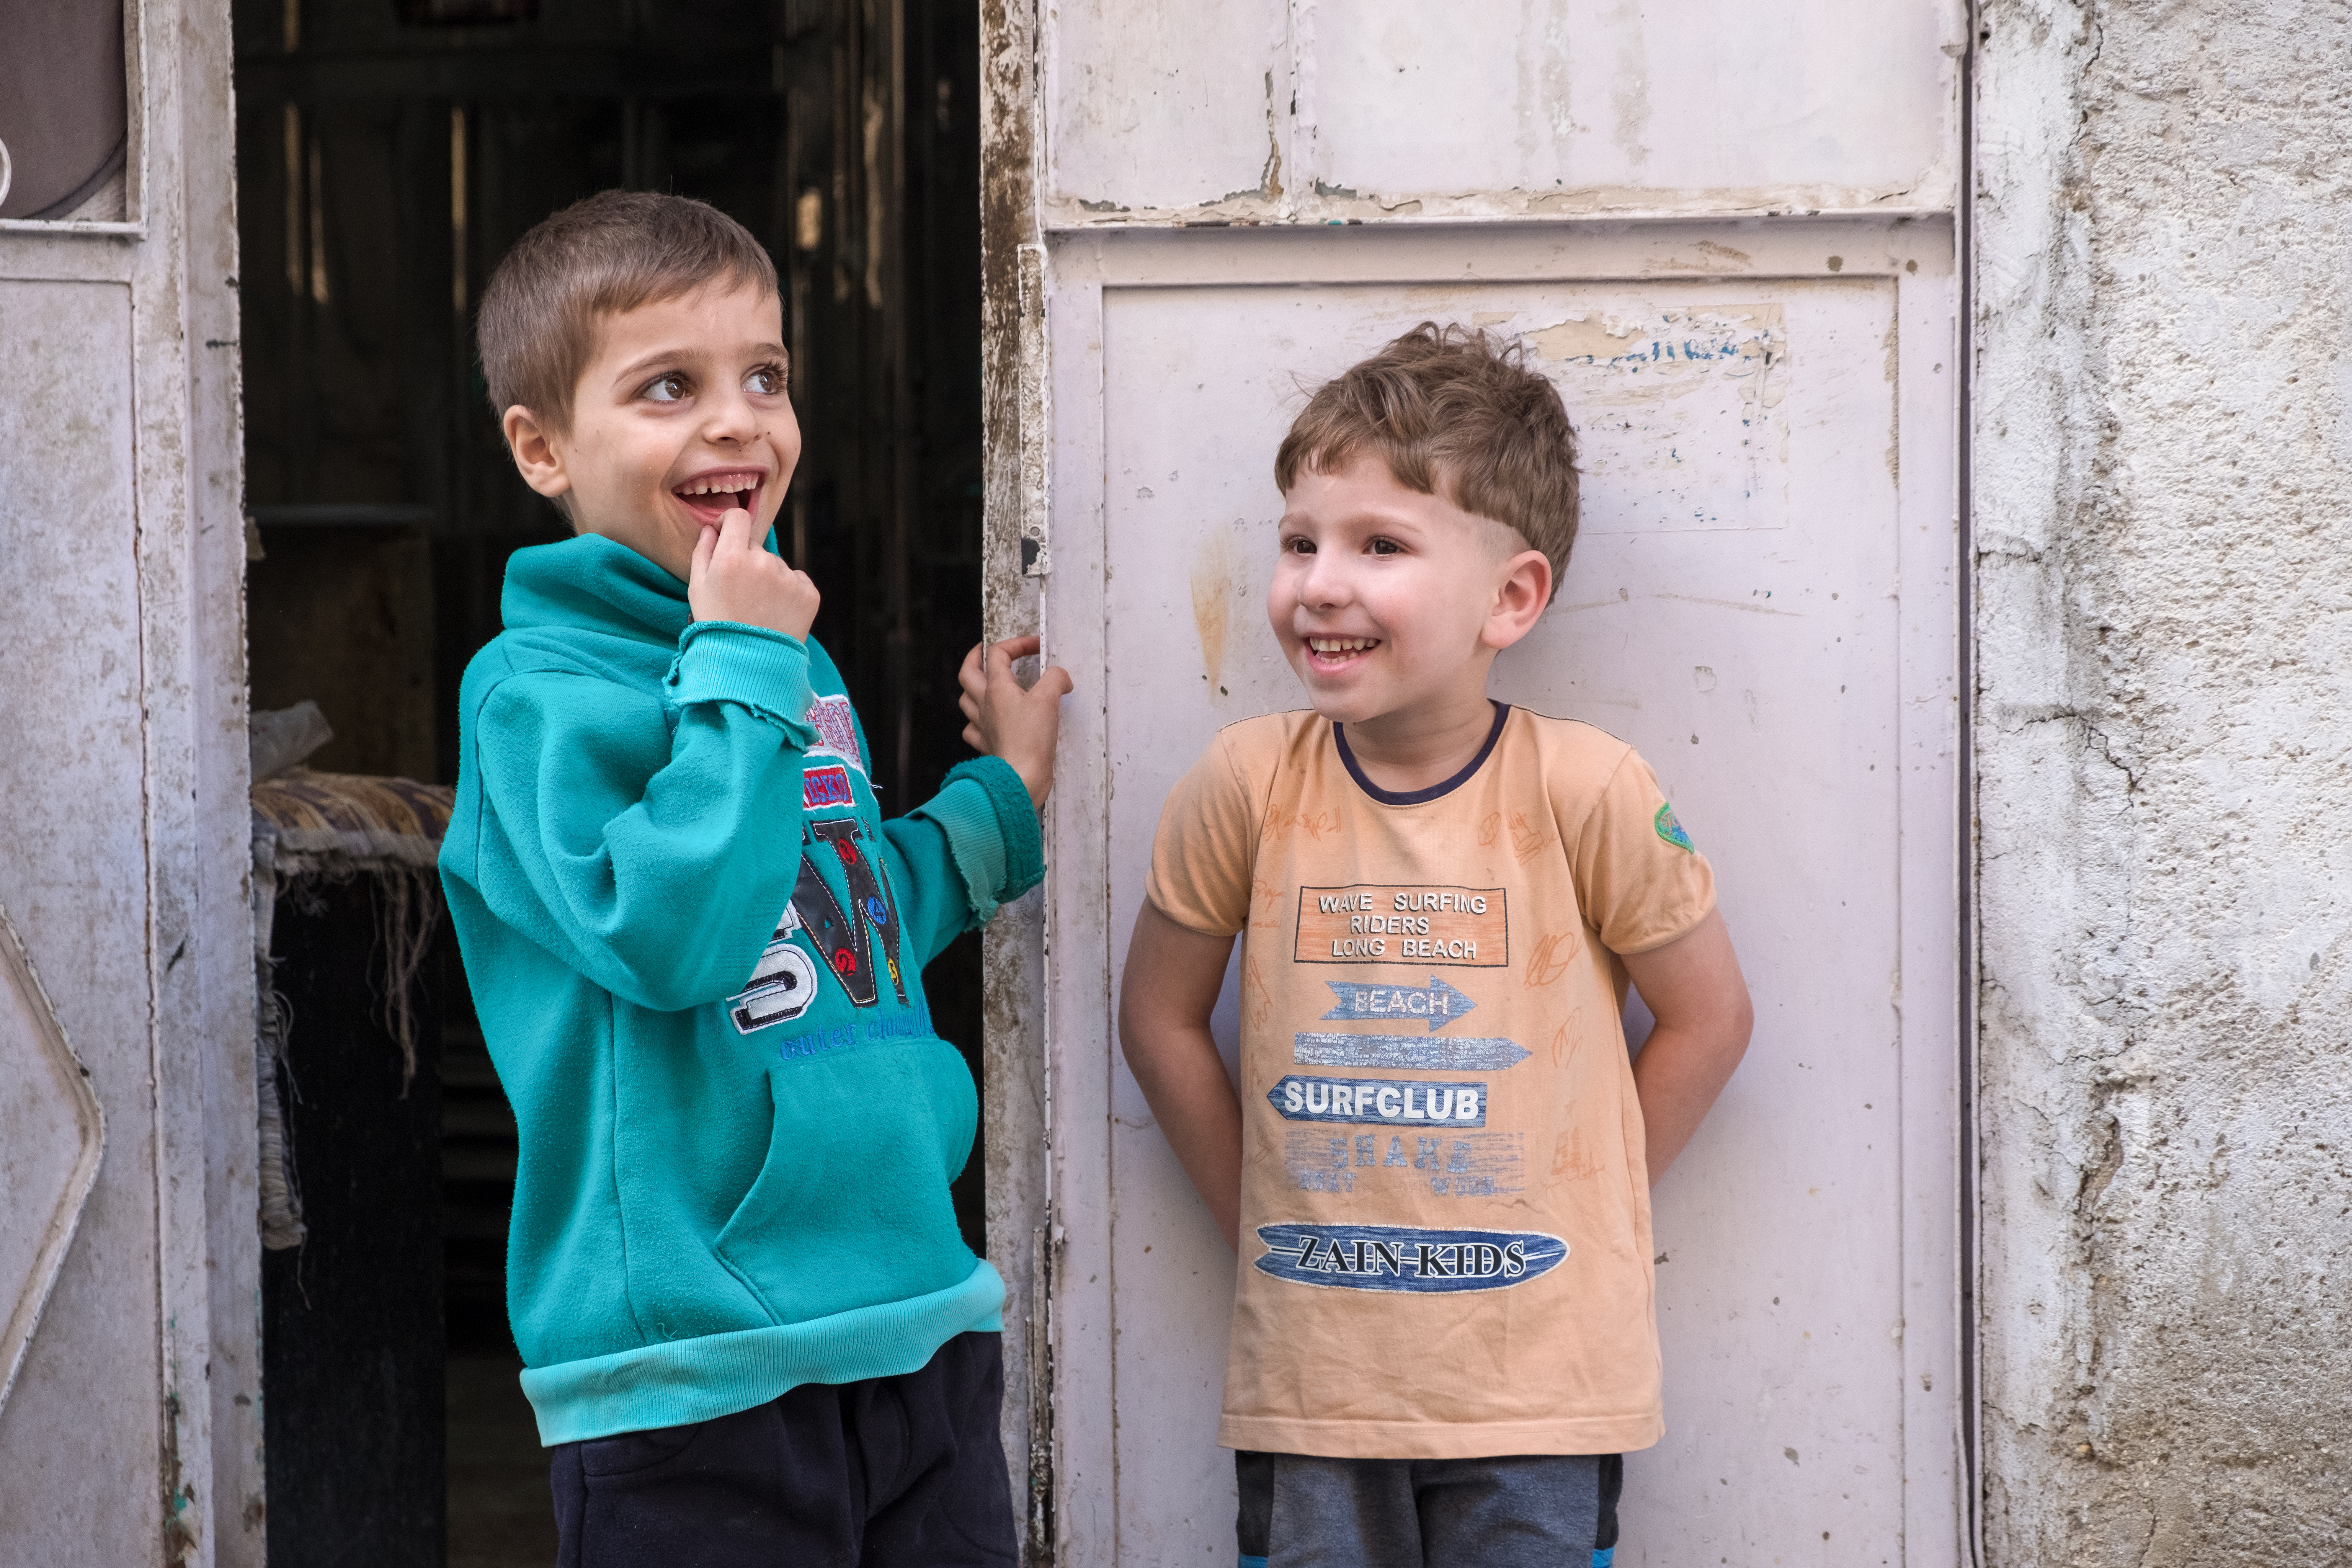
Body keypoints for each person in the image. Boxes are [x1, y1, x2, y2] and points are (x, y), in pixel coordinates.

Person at [438, 189, 1068, 1567]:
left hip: (914, 1316)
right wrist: (742, 670)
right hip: (690, 1371)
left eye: (764, 377)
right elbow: (680, 940)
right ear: (543, 449)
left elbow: (847, 923)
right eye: (670, 386)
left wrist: (1001, 798)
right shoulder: (534, 699)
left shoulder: (777, 660)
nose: (738, 421)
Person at [1118, 323, 1753, 1568]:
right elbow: (1157, 1018)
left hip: (1540, 1388)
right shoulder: (1245, 784)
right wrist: (1259, 1215)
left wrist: (1590, 1200)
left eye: (1380, 546)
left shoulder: (1588, 786)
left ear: (1511, 598)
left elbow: (1711, 1018)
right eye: (1300, 542)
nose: (1321, 583)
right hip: (1315, 1385)